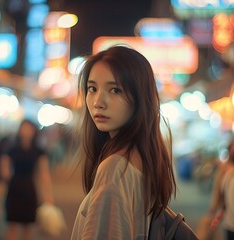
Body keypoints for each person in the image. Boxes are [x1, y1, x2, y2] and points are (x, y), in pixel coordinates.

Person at [71, 46, 177, 239]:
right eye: (92, 88)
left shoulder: (115, 168)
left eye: (115, 90)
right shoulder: (143, 160)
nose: (98, 102)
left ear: (139, 99)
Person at [4, 119, 54, 240]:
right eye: (24, 128)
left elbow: (44, 174)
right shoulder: (12, 149)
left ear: (34, 131)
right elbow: (5, 170)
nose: (26, 131)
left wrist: (48, 195)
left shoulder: (38, 150)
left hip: (29, 189)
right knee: (12, 225)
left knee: (27, 226)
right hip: (14, 188)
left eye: (29, 128)